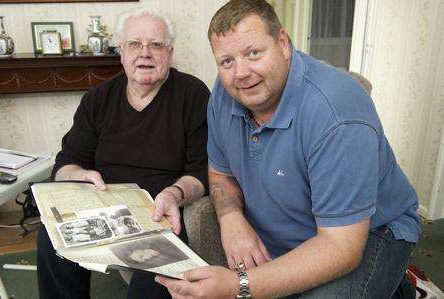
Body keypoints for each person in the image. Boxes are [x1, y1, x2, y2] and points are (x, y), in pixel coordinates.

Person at [156, 0, 420, 298]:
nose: (240, 72)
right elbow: (219, 173)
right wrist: (232, 219)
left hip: (370, 232)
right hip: (298, 228)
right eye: (226, 61)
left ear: (283, 43)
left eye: (253, 53)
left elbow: (340, 246)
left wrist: (238, 287)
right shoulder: (223, 92)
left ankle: (393, 281)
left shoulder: (337, 113)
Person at [36, 7, 209, 299]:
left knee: (149, 289)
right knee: (50, 241)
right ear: (121, 53)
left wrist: (175, 193)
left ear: (169, 52)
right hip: (101, 210)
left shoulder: (192, 95)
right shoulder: (98, 99)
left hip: (158, 215)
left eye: (156, 45)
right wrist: (80, 176)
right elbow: (66, 163)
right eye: (134, 44)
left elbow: (201, 171)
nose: (145, 53)